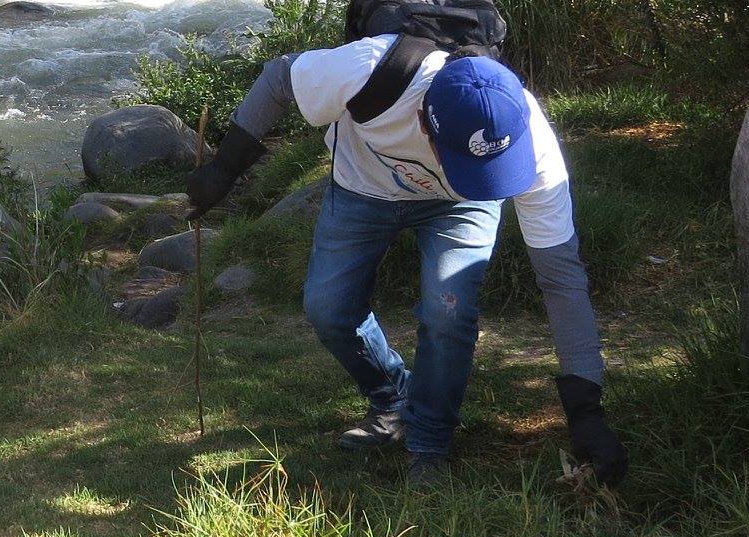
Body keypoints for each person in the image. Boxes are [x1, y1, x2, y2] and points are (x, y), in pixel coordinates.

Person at [186, 39, 627, 484]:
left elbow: (561, 278)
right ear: (421, 119)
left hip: (461, 205)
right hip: (362, 188)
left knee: (447, 312)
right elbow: (281, 76)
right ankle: (393, 398)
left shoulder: (530, 145)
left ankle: (430, 443)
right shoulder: (370, 69)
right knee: (328, 308)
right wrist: (226, 167)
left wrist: (585, 411)